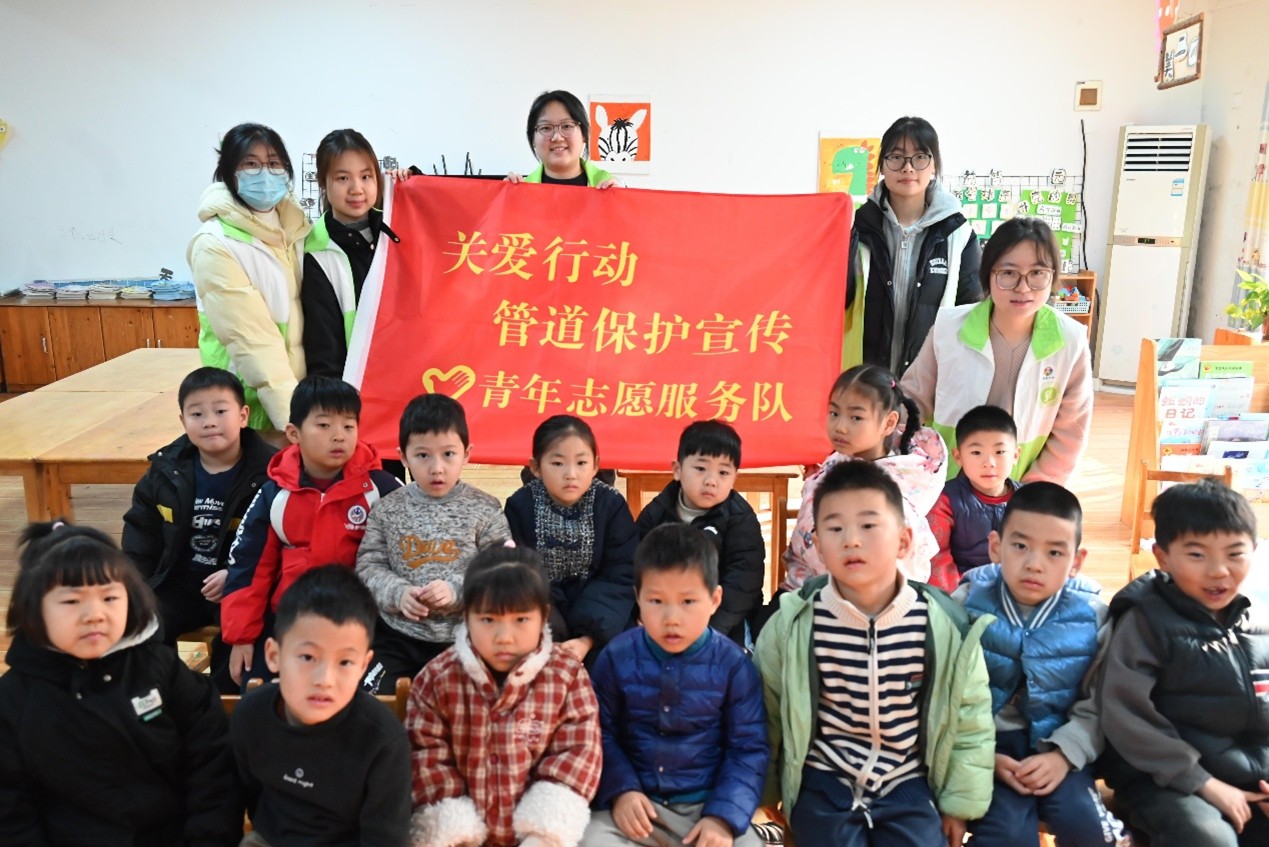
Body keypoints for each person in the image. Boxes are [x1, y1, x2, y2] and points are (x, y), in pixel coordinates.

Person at [754, 461, 994, 847]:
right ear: (817, 544)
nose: (851, 540)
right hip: (824, 783)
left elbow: (970, 718)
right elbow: (765, 713)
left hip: (908, 782)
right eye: (835, 528)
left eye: (868, 525)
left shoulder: (940, 625)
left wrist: (958, 804)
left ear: (903, 541)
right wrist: (764, 794)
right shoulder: (794, 624)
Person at [0, 521, 242, 846]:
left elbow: (212, 763)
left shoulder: (162, 670)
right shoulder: (14, 699)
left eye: (110, 597)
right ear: (33, 610)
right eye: (72, 601)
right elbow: (10, 808)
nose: (94, 614)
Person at [951, 483, 1126, 845]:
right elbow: (944, 698)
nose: (1034, 563)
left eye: (1055, 552)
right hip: (985, 750)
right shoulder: (964, 606)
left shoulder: (1093, 618)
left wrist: (1065, 755)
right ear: (995, 547)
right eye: (1020, 546)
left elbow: (1101, 704)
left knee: (1092, 833)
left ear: (1076, 562)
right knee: (1006, 835)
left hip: (1061, 747)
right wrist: (985, 757)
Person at [1099, 480, 1269, 845]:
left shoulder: (1260, 623)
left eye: (1235, 554)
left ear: (1254, 551)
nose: (1219, 570)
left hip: (1251, 780)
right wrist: (1203, 782)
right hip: (1164, 783)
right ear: (1162, 557)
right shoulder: (1145, 622)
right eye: (1197, 555)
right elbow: (1125, 717)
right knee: (1210, 840)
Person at [582, 523, 768, 847]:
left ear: (715, 599)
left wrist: (723, 817)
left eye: (688, 601)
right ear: (637, 598)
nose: (672, 618)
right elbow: (598, 733)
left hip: (706, 809)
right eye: (656, 601)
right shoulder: (616, 657)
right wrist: (621, 791)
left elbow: (748, 748)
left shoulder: (734, 665)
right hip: (635, 808)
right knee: (588, 840)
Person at [407, 545, 602, 847]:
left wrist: (542, 838)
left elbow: (578, 756)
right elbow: (426, 760)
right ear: (466, 616)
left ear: (543, 616)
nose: (504, 637)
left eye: (521, 620)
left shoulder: (567, 676)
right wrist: (455, 834)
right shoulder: (437, 679)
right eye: (488, 620)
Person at [220, 375, 401, 688]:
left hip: (365, 622)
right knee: (257, 689)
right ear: (294, 433)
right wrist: (241, 637)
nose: (339, 436)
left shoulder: (381, 488)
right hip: (290, 618)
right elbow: (248, 566)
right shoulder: (274, 493)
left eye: (348, 426)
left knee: (369, 695)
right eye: (324, 425)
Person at [900, 217, 1093, 485]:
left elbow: (1071, 432)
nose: (1023, 288)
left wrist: (1031, 492)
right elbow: (913, 400)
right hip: (947, 483)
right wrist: (900, 459)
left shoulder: (1070, 340)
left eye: (1037, 273)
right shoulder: (948, 328)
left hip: (1023, 486)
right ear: (988, 274)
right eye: (1009, 273)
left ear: (1053, 276)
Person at [232, 565, 411, 847]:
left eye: (345, 662)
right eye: (307, 657)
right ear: (274, 655)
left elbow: (385, 837)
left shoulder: (382, 739)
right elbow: (239, 796)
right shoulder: (251, 714)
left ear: (364, 666)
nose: (324, 680)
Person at [121, 366, 277, 687]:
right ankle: (167, 694)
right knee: (139, 628)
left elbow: (279, 542)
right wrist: (136, 592)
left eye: (220, 411)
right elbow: (140, 538)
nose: (209, 422)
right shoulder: (165, 471)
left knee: (238, 653)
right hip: (178, 584)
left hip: (241, 587)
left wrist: (236, 575)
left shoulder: (272, 474)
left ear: (243, 416)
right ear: (183, 421)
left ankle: (215, 703)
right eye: (197, 414)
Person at [356, 393, 511, 692]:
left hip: (466, 636)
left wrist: (456, 589)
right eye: (423, 456)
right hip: (398, 636)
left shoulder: (485, 508)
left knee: (473, 701)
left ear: (466, 453)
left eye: (448, 454)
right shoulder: (387, 509)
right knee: (371, 700)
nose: (437, 468)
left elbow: (501, 571)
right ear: (403, 457)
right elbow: (368, 565)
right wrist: (398, 593)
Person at [780, 364, 947, 597]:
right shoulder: (837, 460)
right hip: (802, 591)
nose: (840, 427)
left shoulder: (894, 492)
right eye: (834, 413)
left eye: (856, 417)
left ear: (889, 423)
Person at [188, 122, 311, 432]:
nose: (265, 173)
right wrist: (293, 421)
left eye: (274, 163)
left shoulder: (296, 228)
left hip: (299, 396)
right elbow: (253, 342)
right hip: (249, 402)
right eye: (251, 164)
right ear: (228, 171)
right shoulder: (215, 242)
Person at [845, 116, 981, 377]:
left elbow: (972, 311)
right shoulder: (857, 227)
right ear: (882, 166)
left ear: (934, 166)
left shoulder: (958, 234)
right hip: (865, 379)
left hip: (930, 380)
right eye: (896, 157)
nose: (907, 168)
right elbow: (839, 297)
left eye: (919, 157)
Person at [504, 415, 638, 664]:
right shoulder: (520, 506)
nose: (571, 474)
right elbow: (519, 576)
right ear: (536, 467)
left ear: (596, 465)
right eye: (557, 463)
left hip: (603, 620)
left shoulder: (611, 505)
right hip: (541, 620)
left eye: (581, 462)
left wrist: (587, 639)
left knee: (621, 659)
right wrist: (551, 633)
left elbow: (621, 573)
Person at [631, 421, 764, 645]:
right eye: (701, 469)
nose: (711, 481)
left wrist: (708, 631)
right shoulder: (657, 513)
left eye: (723, 472)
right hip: (663, 613)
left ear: (734, 478)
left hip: (722, 621)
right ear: (677, 470)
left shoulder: (741, 519)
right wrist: (643, 612)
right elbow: (634, 567)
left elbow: (743, 585)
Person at [302, 128, 414, 380]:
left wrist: (416, 184)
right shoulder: (316, 253)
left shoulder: (397, 227)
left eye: (366, 176)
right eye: (343, 178)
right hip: (356, 387)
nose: (357, 189)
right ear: (323, 183)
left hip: (411, 377)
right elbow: (324, 352)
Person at [925, 405, 1021, 591]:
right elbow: (936, 558)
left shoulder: (1029, 500)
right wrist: (963, 597)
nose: (989, 463)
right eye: (976, 453)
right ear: (958, 457)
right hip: (963, 592)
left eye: (1000, 452)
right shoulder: (945, 499)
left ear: (1016, 455)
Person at [505, 90, 621, 188]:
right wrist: (502, 198)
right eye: (545, 128)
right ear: (533, 139)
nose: (557, 137)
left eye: (567, 126)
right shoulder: (520, 191)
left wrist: (622, 201)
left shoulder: (611, 187)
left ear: (584, 134)